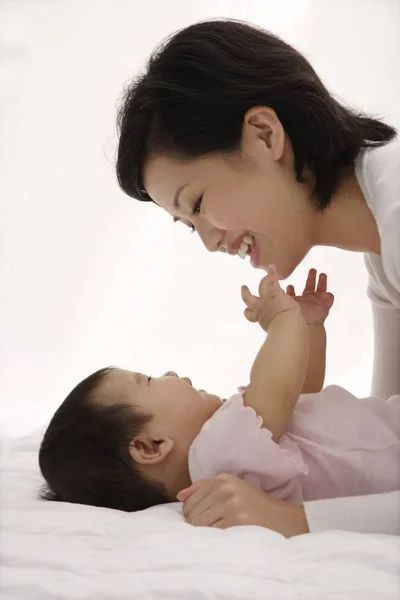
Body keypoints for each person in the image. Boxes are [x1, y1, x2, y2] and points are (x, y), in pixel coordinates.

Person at [115, 19, 400, 536]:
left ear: (265, 135)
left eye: (197, 203)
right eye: (188, 225)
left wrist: (295, 519)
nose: (207, 241)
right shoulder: (384, 251)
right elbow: (387, 433)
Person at [38, 268, 400, 528]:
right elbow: (278, 385)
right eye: (149, 380)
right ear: (151, 446)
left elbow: (298, 397)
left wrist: (308, 328)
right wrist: (282, 320)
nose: (172, 374)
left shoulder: (237, 453)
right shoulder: (215, 453)